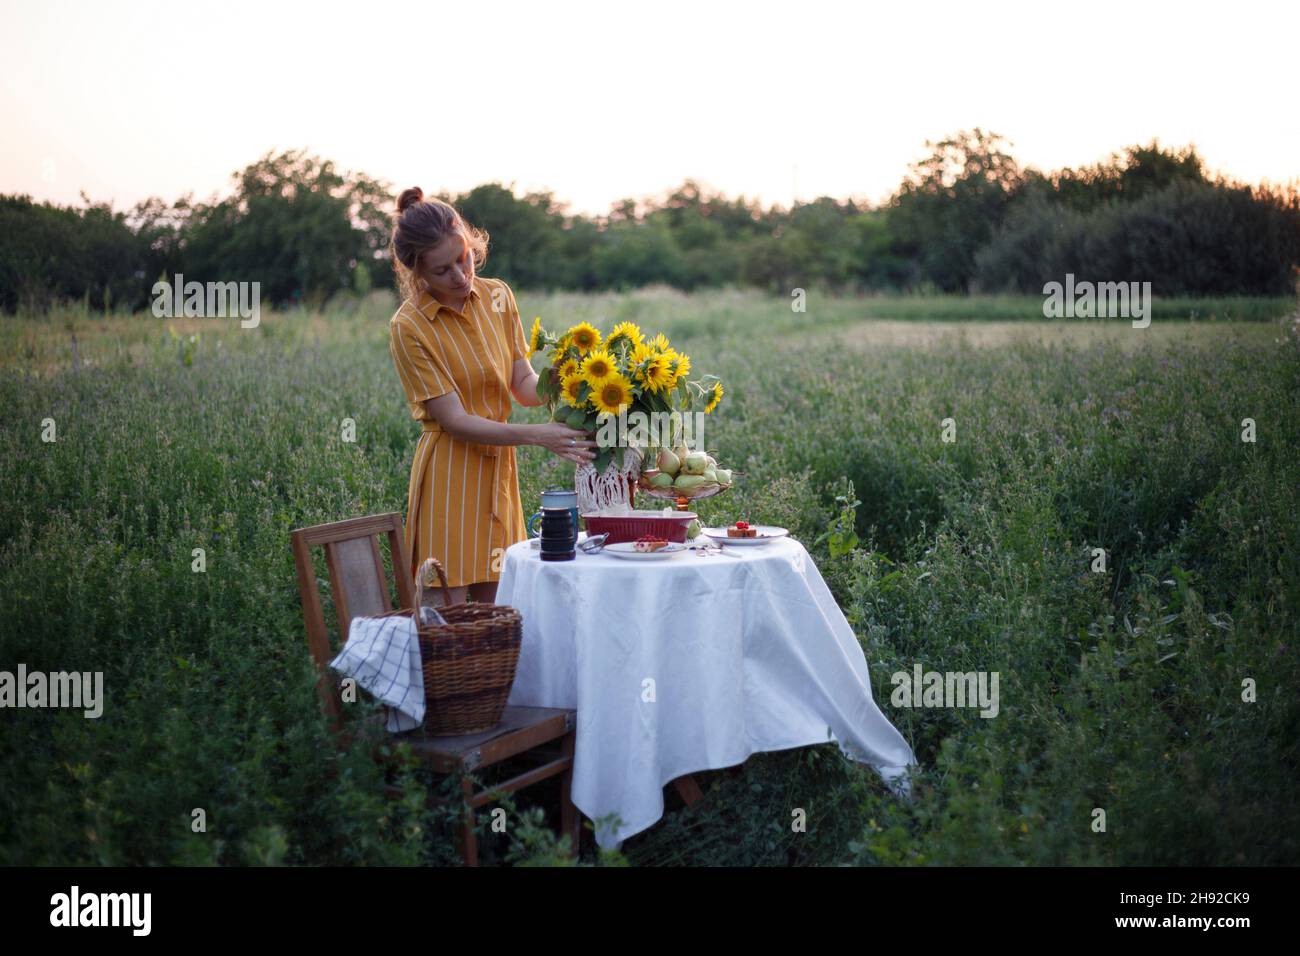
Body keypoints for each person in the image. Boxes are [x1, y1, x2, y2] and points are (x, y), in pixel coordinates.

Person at [387, 187, 597, 603]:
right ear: (417, 273)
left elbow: (523, 386)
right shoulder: (408, 326)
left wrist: (572, 374)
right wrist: (539, 435)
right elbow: (454, 420)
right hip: (451, 477)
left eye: (463, 257)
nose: (461, 275)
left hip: (499, 475)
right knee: (448, 618)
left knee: (503, 610)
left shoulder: (498, 295)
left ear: (471, 242)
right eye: (442, 270)